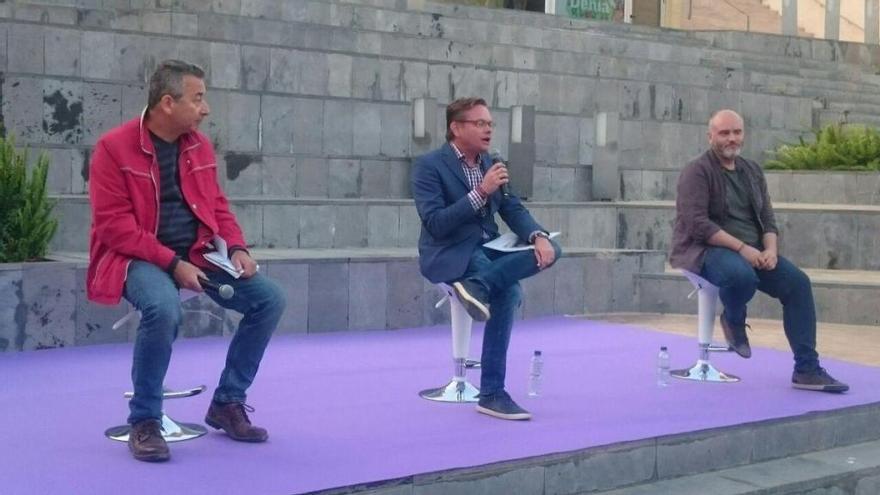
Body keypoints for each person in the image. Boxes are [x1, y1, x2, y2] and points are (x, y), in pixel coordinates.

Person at [88, 60, 286, 462]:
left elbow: (216, 205)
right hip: (135, 257)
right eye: (198, 99)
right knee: (162, 307)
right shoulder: (113, 147)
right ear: (167, 103)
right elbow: (114, 228)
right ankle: (145, 421)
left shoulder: (199, 145)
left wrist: (236, 247)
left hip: (197, 253)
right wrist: (172, 264)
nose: (205, 108)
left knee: (269, 299)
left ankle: (227, 403)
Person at [670, 109, 848, 393]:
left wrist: (770, 249)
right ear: (710, 136)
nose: (731, 138)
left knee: (798, 284)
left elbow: (767, 217)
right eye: (724, 133)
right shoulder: (697, 171)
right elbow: (698, 224)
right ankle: (734, 319)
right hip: (705, 250)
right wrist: (742, 249)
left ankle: (806, 369)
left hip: (752, 250)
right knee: (742, 277)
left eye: (737, 132)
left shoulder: (751, 170)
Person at [411, 97, 562, 420]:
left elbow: (512, 209)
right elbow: (435, 223)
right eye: (480, 123)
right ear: (456, 127)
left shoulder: (490, 162)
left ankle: (478, 285)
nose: (488, 130)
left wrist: (538, 237)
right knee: (509, 291)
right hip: (450, 250)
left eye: (490, 124)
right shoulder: (429, 166)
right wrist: (481, 192)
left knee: (553, 248)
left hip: (490, 246)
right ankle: (492, 393)